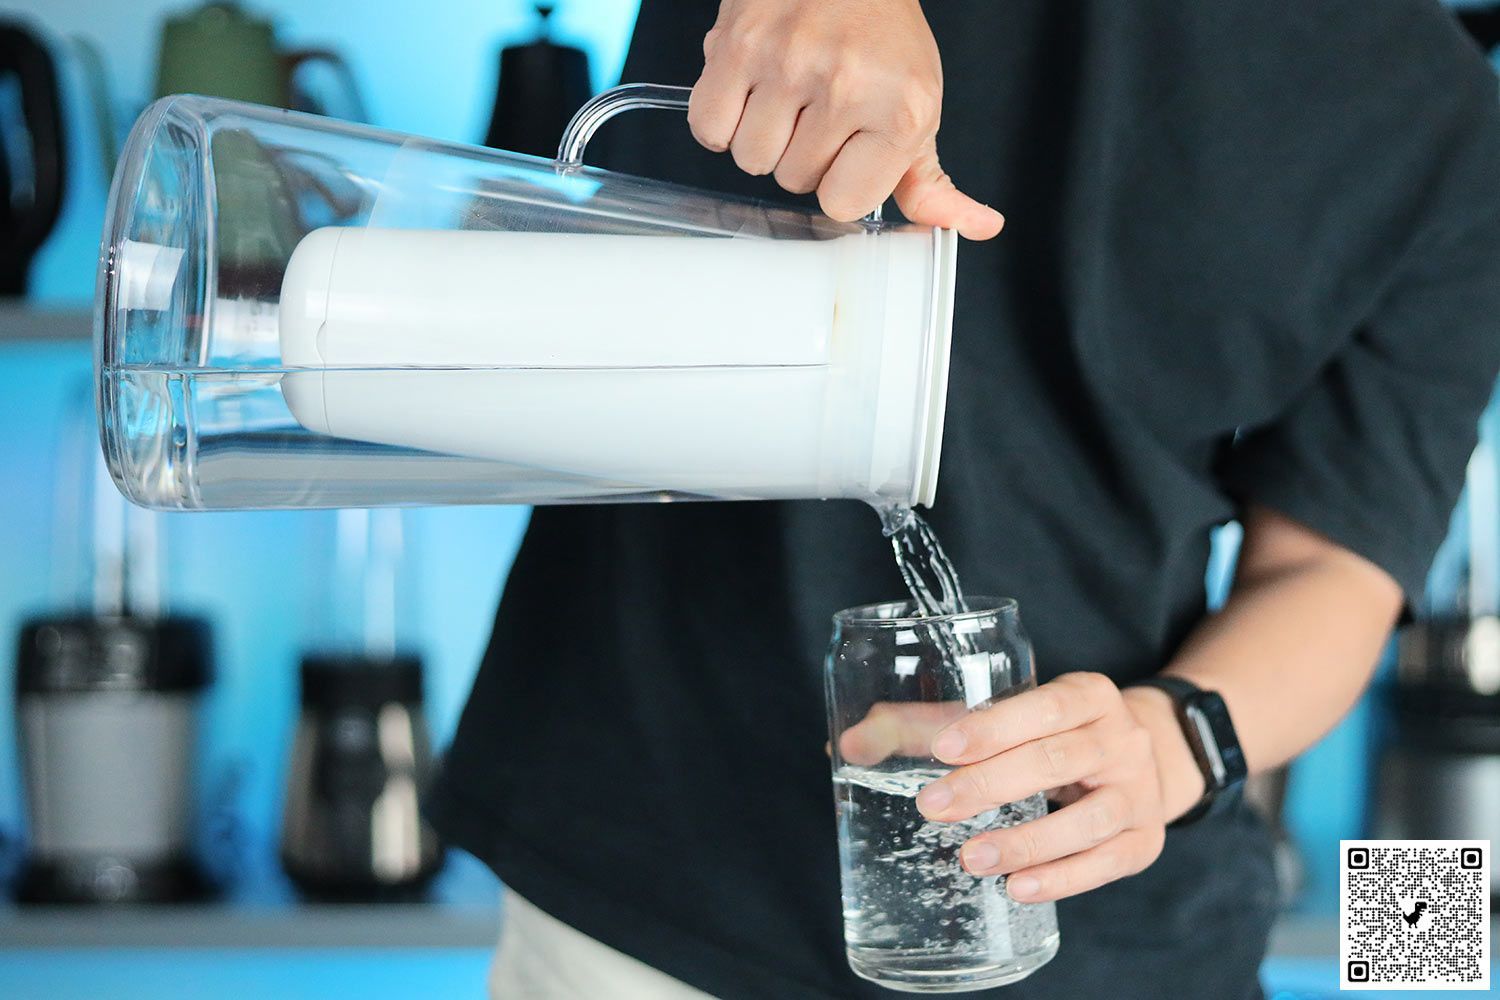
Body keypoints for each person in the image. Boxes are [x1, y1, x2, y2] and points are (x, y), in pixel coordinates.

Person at [428, 2, 1500, 997]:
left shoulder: (1450, 122)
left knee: (1425, 958)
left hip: (1117, 932)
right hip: (650, 872)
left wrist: (1172, 743)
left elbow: (1334, 564)